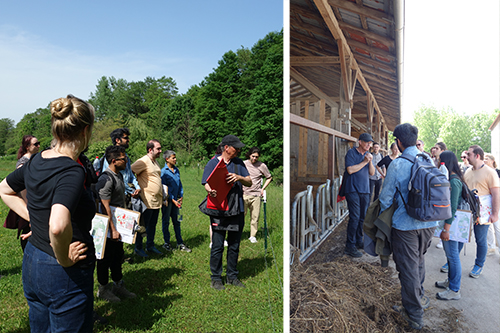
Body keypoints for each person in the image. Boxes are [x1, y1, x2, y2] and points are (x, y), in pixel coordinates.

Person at [0, 95, 96, 332]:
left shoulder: (37, 159)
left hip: (33, 260)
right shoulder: (72, 171)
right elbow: (58, 226)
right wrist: (64, 257)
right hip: (62, 271)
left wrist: (34, 217)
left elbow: (5, 189)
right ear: (85, 131)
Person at [378, 123, 438, 330]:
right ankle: (418, 299)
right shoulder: (427, 158)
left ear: (399, 142)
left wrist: (382, 217)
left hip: (406, 225)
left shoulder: (397, 164)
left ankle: (414, 315)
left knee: (408, 269)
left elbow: (385, 198)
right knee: (418, 260)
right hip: (430, 222)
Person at [201, 135, 251, 290]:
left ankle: (232, 276)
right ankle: (216, 278)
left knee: (234, 245)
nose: (238, 150)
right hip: (219, 209)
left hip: (236, 208)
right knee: (217, 245)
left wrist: (239, 177)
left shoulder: (238, 163)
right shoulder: (213, 162)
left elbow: (249, 181)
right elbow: (206, 183)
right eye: (236, 148)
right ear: (226, 147)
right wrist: (212, 191)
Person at [95, 145, 137, 302]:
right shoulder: (106, 179)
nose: (126, 161)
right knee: (104, 259)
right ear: (114, 161)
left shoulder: (118, 175)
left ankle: (118, 285)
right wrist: (112, 229)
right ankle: (103, 289)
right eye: (123, 158)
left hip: (118, 226)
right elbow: (104, 206)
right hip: (107, 229)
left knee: (118, 256)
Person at [463, 145, 500, 277]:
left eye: (469, 154)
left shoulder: (490, 172)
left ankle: (479, 265)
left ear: (477, 156)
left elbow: (496, 194)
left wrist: (495, 214)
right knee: (461, 237)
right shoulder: (467, 171)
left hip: (482, 212)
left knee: (480, 239)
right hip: (467, 210)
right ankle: (452, 261)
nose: (466, 156)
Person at [434, 151, 463, 300]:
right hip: (451, 224)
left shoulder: (453, 181)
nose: (438, 163)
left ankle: (454, 290)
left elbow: (451, 208)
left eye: (440, 160)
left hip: (452, 226)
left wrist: (446, 229)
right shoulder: (451, 178)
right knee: (451, 255)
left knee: (453, 256)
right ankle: (450, 282)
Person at [343, 133, 375, 258]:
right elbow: (350, 170)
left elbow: (371, 173)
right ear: (360, 142)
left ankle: (358, 240)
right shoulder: (351, 153)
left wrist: (370, 161)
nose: (369, 144)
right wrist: (364, 162)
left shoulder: (368, 156)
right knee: (355, 217)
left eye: (370, 142)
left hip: (365, 190)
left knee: (362, 218)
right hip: (352, 189)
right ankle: (349, 246)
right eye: (366, 142)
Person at [131, 139, 164, 257]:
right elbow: (130, 172)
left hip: (156, 200)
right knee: (143, 225)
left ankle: (150, 245)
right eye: (158, 149)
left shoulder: (155, 161)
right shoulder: (143, 161)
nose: (160, 151)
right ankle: (138, 248)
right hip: (147, 199)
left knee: (153, 225)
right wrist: (133, 188)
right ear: (150, 150)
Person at [12, 135, 41, 250]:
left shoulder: (34, 159)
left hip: (35, 200)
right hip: (28, 202)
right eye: (36, 144)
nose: (38, 146)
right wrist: (27, 206)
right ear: (27, 147)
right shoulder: (22, 164)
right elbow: (22, 188)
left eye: (38, 143)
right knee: (28, 228)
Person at [101, 128, 141, 207]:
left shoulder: (127, 157)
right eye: (125, 138)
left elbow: (130, 175)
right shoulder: (109, 157)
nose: (128, 140)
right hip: (115, 197)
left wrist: (137, 187)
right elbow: (108, 177)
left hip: (127, 196)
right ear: (117, 140)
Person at [160, 150, 191, 252]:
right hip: (168, 201)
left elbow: (179, 184)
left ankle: (180, 243)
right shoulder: (163, 172)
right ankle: (167, 243)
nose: (175, 159)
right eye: (173, 158)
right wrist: (172, 199)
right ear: (167, 159)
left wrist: (181, 196)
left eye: (175, 157)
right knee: (166, 221)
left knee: (177, 221)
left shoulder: (176, 170)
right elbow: (164, 188)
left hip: (176, 201)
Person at [243, 147, 273, 243]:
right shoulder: (243, 164)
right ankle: (238, 234)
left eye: (257, 157)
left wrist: (262, 189)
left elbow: (269, 177)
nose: (255, 158)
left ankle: (252, 236)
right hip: (243, 194)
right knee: (241, 216)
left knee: (255, 217)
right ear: (249, 155)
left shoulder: (262, 165)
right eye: (253, 156)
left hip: (256, 195)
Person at [483, 153, 500, 256]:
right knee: (488, 226)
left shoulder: (497, 172)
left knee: (497, 226)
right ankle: (491, 246)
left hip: (496, 201)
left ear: (492, 161)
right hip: (486, 202)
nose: (484, 160)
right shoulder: (484, 172)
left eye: (486, 159)